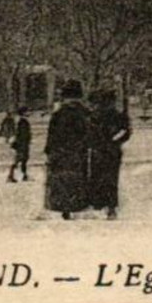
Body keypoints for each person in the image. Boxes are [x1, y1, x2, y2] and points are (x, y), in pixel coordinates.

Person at [44, 81, 91, 220]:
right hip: (78, 150)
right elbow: (89, 132)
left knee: (61, 179)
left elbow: (52, 134)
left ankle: (63, 206)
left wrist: (49, 150)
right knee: (77, 178)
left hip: (60, 151)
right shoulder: (84, 113)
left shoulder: (59, 114)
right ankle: (76, 204)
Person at [88, 89, 131, 219]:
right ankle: (110, 207)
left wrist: (95, 143)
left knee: (97, 176)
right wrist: (114, 140)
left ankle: (99, 204)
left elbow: (90, 133)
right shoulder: (119, 116)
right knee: (111, 179)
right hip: (112, 151)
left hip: (98, 150)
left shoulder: (95, 116)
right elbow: (126, 132)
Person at [8, 107, 32, 183]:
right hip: (22, 144)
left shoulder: (21, 121)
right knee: (19, 160)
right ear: (24, 113)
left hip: (22, 143)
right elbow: (23, 134)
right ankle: (11, 176)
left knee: (23, 160)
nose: (29, 113)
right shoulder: (23, 122)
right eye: (28, 111)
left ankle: (24, 175)